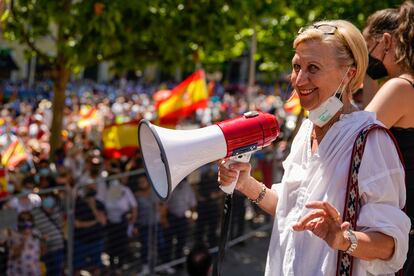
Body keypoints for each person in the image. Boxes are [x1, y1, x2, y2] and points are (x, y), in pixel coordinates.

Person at [218, 19, 410, 275]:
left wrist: (345, 240)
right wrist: (245, 183)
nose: (299, 79)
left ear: (349, 73)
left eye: (313, 68)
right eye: (297, 66)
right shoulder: (307, 130)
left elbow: (391, 245)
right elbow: (291, 210)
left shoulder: (370, 140)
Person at [363, 1, 414, 274]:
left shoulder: (400, 87)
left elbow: (355, 138)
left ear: (385, 41)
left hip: (400, 228)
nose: (363, 56)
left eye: (364, 46)